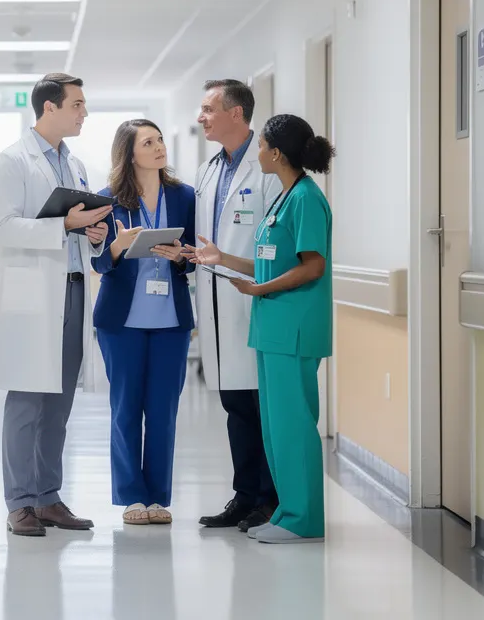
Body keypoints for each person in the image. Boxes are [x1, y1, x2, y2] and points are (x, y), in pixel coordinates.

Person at [186, 114, 335, 545]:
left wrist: (260, 289)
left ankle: (303, 521)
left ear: (278, 154)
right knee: (276, 427)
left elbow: (313, 266)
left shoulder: (306, 198)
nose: (258, 151)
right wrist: (223, 259)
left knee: (295, 427)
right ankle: (287, 512)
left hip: (294, 329)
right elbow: (271, 262)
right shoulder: (284, 198)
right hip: (272, 328)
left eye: (263, 145)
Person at [0, 72, 111, 537]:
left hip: (73, 288)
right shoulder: (9, 162)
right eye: (77, 104)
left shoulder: (74, 165)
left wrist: (93, 232)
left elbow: (77, 229)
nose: (84, 113)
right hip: (32, 296)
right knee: (26, 398)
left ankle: (48, 497)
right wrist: (65, 225)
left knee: (59, 403)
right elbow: (3, 228)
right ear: (49, 108)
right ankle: (19, 502)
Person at [90, 119, 196, 525]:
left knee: (163, 410)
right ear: (129, 153)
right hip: (122, 323)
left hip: (171, 321)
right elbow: (99, 262)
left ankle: (157, 497)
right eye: (148, 142)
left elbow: (195, 254)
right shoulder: (106, 200)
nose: (158, 147)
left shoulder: (184, 196)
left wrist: (182, 257)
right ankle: (132, 496)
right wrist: (115, 247)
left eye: (159, 140)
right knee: (126, 409)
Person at [190, 79, 283, 532]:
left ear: (236, 113)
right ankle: (244, 497)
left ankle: (269, 498)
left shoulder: (267, 168)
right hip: (217, 301)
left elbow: (277, 238)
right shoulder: (209, 169)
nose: (201, 117)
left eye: (209, 109)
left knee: (261, 407)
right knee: (235, 406)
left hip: (255, 299)